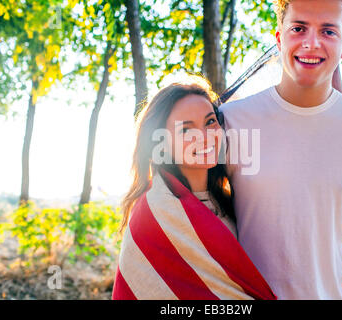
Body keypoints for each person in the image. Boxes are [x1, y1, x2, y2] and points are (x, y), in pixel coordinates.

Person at [219, 0, 342, 299]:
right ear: (279, 38)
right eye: (298, 28)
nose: (311, 43)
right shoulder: (232, 120)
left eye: (328, 31)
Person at [112, 76, 276, 300]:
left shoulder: (231, 200)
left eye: (210, 122)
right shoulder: (154, 214)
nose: (205, 137)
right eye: (186, 130)